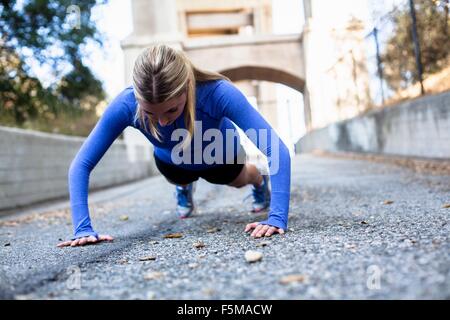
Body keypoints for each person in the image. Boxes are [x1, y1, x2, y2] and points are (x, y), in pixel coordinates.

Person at [57, 44, 291, 248]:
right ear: (137, 98)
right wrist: (83, 229)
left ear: (187, 87)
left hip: (222, 157)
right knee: (179, 176)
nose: (162, 121)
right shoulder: (125, 105)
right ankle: (183, 187)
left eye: (171, 110)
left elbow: (275, 149)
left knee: (239, 179)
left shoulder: (218, 93)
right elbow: (82, 164)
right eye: (150, 112)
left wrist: (276, 218)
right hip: (173, 161)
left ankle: (260, 182)